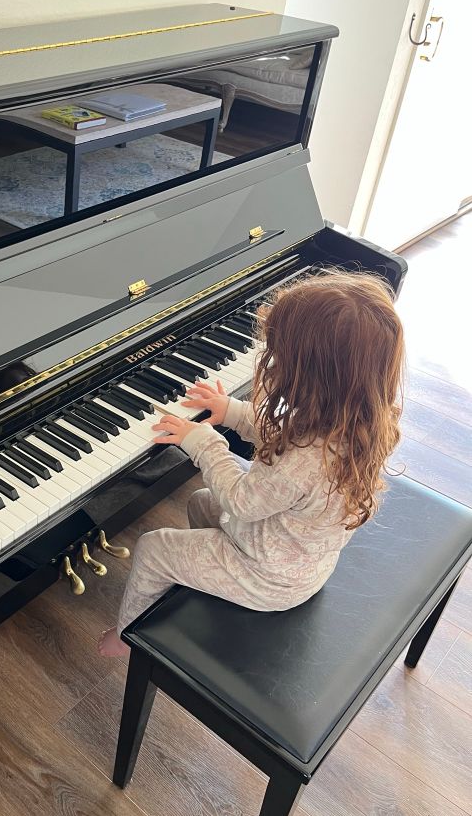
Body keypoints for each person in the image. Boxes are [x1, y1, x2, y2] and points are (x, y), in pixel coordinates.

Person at [98, 271, 404, 657]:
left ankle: (128, 638)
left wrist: (203, 441)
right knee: (199, 502)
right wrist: (232, 412)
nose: (272, 364)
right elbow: (284, 438)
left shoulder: (304, 460)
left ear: (313, 375)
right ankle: (200, 579)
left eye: (281, 357)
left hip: (269, 578)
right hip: (294, 551)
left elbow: (242, 500)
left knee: (154, 547)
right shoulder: (352, 418)